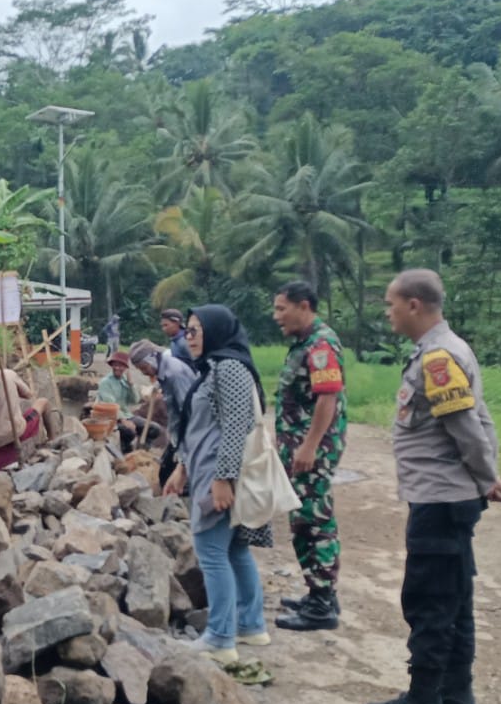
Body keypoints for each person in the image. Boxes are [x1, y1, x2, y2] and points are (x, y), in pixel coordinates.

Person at [366, 269, 501, 704]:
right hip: (447, 496)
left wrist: (487, 477)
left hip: (440, 498)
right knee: (454, 598)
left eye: (391, 304)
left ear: (414, 305)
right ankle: (455, 695)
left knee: (429, 599)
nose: (388, 313)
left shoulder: (438, 358)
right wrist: (486, 477)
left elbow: (468, 427)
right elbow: (481, 420)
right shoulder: (447, 350)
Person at [161, 308, 272, 665]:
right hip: (208, 471)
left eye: (196, 331)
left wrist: (223, 478)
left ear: (216, 331)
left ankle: (221, 638)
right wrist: (182, 468)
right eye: (188, 331)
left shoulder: (229, 368)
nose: (189, 337)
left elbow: (237, 426)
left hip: (219, 476)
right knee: (235, 550)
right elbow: (204, 428)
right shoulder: (214, 367)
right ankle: (250, 624)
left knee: (210, 550)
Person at [272, 280, 348, 632]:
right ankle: (320, 593)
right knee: (304, 518)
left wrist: (309, 445)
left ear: (303, 306)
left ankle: (321, 603)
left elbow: (327, 398)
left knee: (313, 521)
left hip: (312, 451)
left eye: (281, 309)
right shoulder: (303, 343)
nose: (277, 316)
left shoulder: (320, 345)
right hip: (300, 447)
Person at [0, 348, 52, 472]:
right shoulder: (8, 374)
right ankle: (52, 440)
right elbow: (28, 395)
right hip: (19, 430)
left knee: (0, 472)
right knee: (43, 402)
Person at [130, 337, 195, 484]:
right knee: (166, 472)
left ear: (151, 359)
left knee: (171, 474)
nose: (143, 373)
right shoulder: (164, 369)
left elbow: (188, 410)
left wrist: (184, 445)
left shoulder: (174, 374)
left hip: (189, 430)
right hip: (179, 430)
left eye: (144, 368)